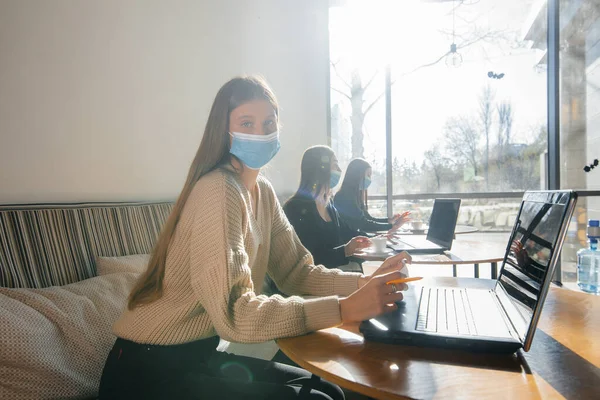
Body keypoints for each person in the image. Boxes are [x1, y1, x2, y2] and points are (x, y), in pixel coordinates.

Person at [98, 76, 412, 400]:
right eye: (246, 123)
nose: (260, 133)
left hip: (196, 357)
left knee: (330, 389)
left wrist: (367, 284)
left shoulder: (262, 192)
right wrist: (344, 309)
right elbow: (235, 314)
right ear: (225, 130)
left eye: (268, 123)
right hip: (146, 374)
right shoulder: (218, 190)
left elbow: (297, 272)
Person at [283, 146, 370, 271]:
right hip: (310, 282)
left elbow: (347, 231)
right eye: (335, 165)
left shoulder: (329, 205)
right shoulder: (295, 208)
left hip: (331, 272)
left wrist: (375, 240)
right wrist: (345, 250)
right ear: (320, 169)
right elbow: (309, 259)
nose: (340, 170)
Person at [334, 158, 410, 234]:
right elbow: (363, 224)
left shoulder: (355, 196)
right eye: (368, 175)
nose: (369, 179)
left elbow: (368, 218)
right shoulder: (344, 197)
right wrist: (392, 225)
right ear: (357, 175)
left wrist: (389, 220)